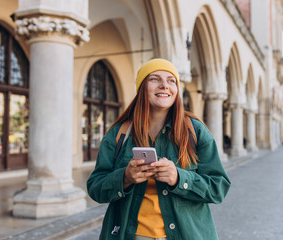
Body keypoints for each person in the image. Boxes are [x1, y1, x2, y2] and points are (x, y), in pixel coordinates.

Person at [87, 58, 231, 240]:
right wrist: (125, 178)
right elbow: (95, 188)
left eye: (171, 80)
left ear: (176, 90)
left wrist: (179, 178)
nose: (164, 85)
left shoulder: (195, 131)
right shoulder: (119, 134)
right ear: (142, 88)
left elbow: (219, 188)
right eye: (154, 79)